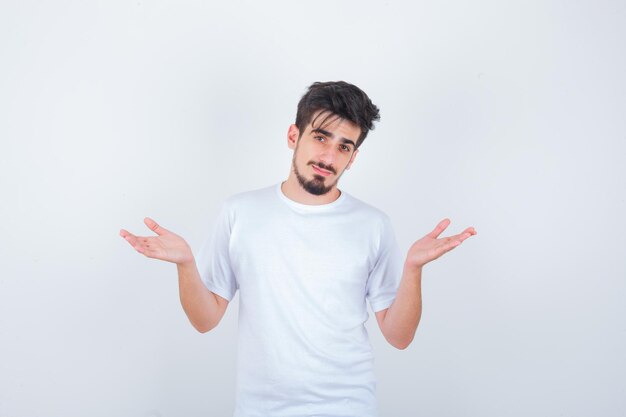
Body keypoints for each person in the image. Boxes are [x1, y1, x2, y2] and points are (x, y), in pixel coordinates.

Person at [120, 81, 476, 417]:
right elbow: (205, 319)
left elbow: (398, 337)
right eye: (320, 137)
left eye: (344, 146)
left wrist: (413, 268)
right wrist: (185, 264)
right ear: (294, 136)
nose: (328, 155)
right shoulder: (240, 212)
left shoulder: (373, 225)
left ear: (352, 158)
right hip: (260, 409)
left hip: (348, 406)